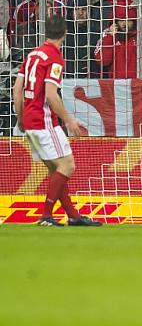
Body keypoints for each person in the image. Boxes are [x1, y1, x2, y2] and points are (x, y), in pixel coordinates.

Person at [11, 14, 101, 226]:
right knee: (67, 166)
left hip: (30, 121)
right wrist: (68, 120)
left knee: (56, 170)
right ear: (65, 34)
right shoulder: (55, 58)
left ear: (45, 33)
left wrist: (20, 118)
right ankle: (46, 216)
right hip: (44, 121)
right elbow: (51, 94)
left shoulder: (32, 55)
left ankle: (73, 217)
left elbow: (17, 89)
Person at [94, 5, 142, 78]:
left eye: (129, 20)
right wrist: (110, 37)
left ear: (134, 21)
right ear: (115, 22)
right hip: (117, 86)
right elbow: (102, 61)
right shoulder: (107, 35)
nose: (125, 24)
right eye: (121, 20)